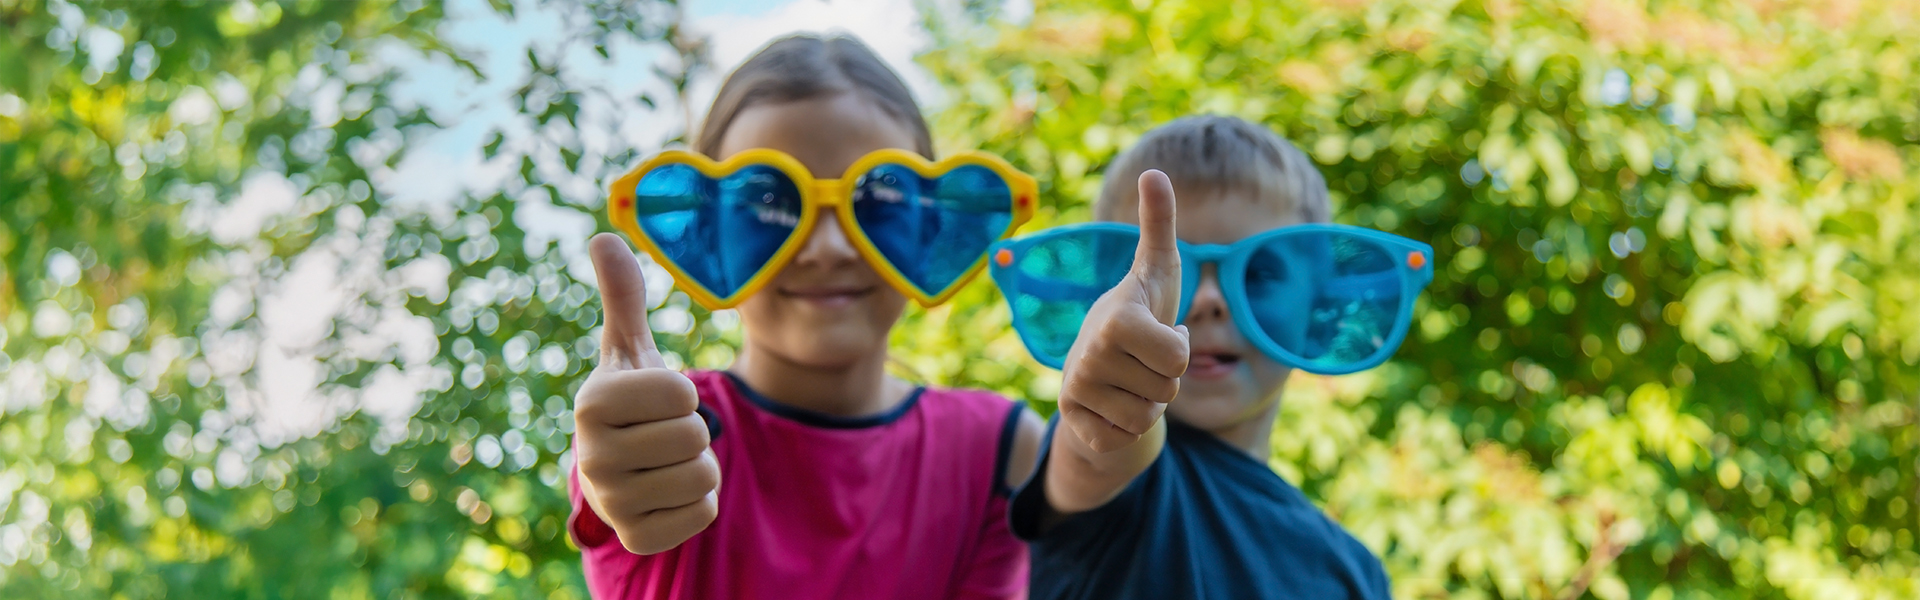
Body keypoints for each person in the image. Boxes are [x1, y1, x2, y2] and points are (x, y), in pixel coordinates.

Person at [569, 34, 1043, 599]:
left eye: (879, 198)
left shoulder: (998, 450)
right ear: (709, 235)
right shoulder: (662, 430)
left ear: (929, 228)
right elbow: (613, 481)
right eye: (768, 201)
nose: (827, 248)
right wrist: (614, 477)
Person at [1009, 116, 1393, 599]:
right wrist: (1106, 399)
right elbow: (1096, 455)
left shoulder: (1357, 572)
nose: (1208, 299)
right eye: (1164, 272)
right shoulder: (1125, 466)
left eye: (1257, 273)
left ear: (1319, 312)